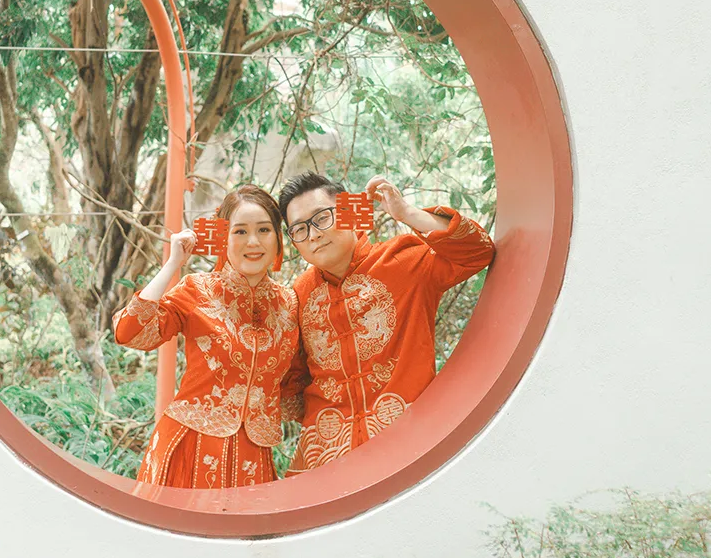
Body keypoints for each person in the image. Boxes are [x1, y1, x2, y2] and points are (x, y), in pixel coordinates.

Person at [277, 171, 494, 473]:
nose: (313, 234)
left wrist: (406, 213)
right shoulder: (296, 298)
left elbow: (477, 251)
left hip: (411, 445)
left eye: (321, 218)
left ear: (351, 212)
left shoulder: (404, 261)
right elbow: (291, 380)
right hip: (324, 460)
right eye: (299, 229)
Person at [112, 184, 300, 488]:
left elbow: (299, 382)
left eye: (264, 230)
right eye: (239, 231)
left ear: (279, 239)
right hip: (189, 447)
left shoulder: (290, 303)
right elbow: (129, 332)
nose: (253, 241)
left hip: (254, 459)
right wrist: (173, 263)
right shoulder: (197, 289)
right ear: (223, 239)